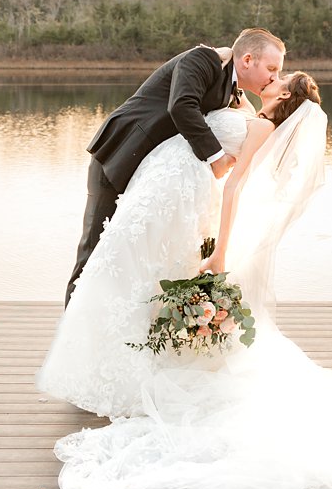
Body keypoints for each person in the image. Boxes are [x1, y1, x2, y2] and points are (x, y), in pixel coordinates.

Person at [37, 71, 332, 489]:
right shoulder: (248, 111)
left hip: (182, 197)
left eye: (282, 78)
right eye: (273, 71)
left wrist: (221, 252)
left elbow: (236, 185)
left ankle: (133, 370)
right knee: (132, 278)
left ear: (284, 96)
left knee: (131, 277)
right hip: (174, 197)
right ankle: (126, 365)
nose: (274, 78)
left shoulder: (261, 127)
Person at [63, 28, 285, 307]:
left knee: (127, 255)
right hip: (120, 157)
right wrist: (216, 157)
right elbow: (181, 105)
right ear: (248, 60)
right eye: (272, 68)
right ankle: (70, 332)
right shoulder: (202, 59)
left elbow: (251, 118)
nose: (274, 77)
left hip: (151, 177)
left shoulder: (231, 88)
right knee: (93, 251)